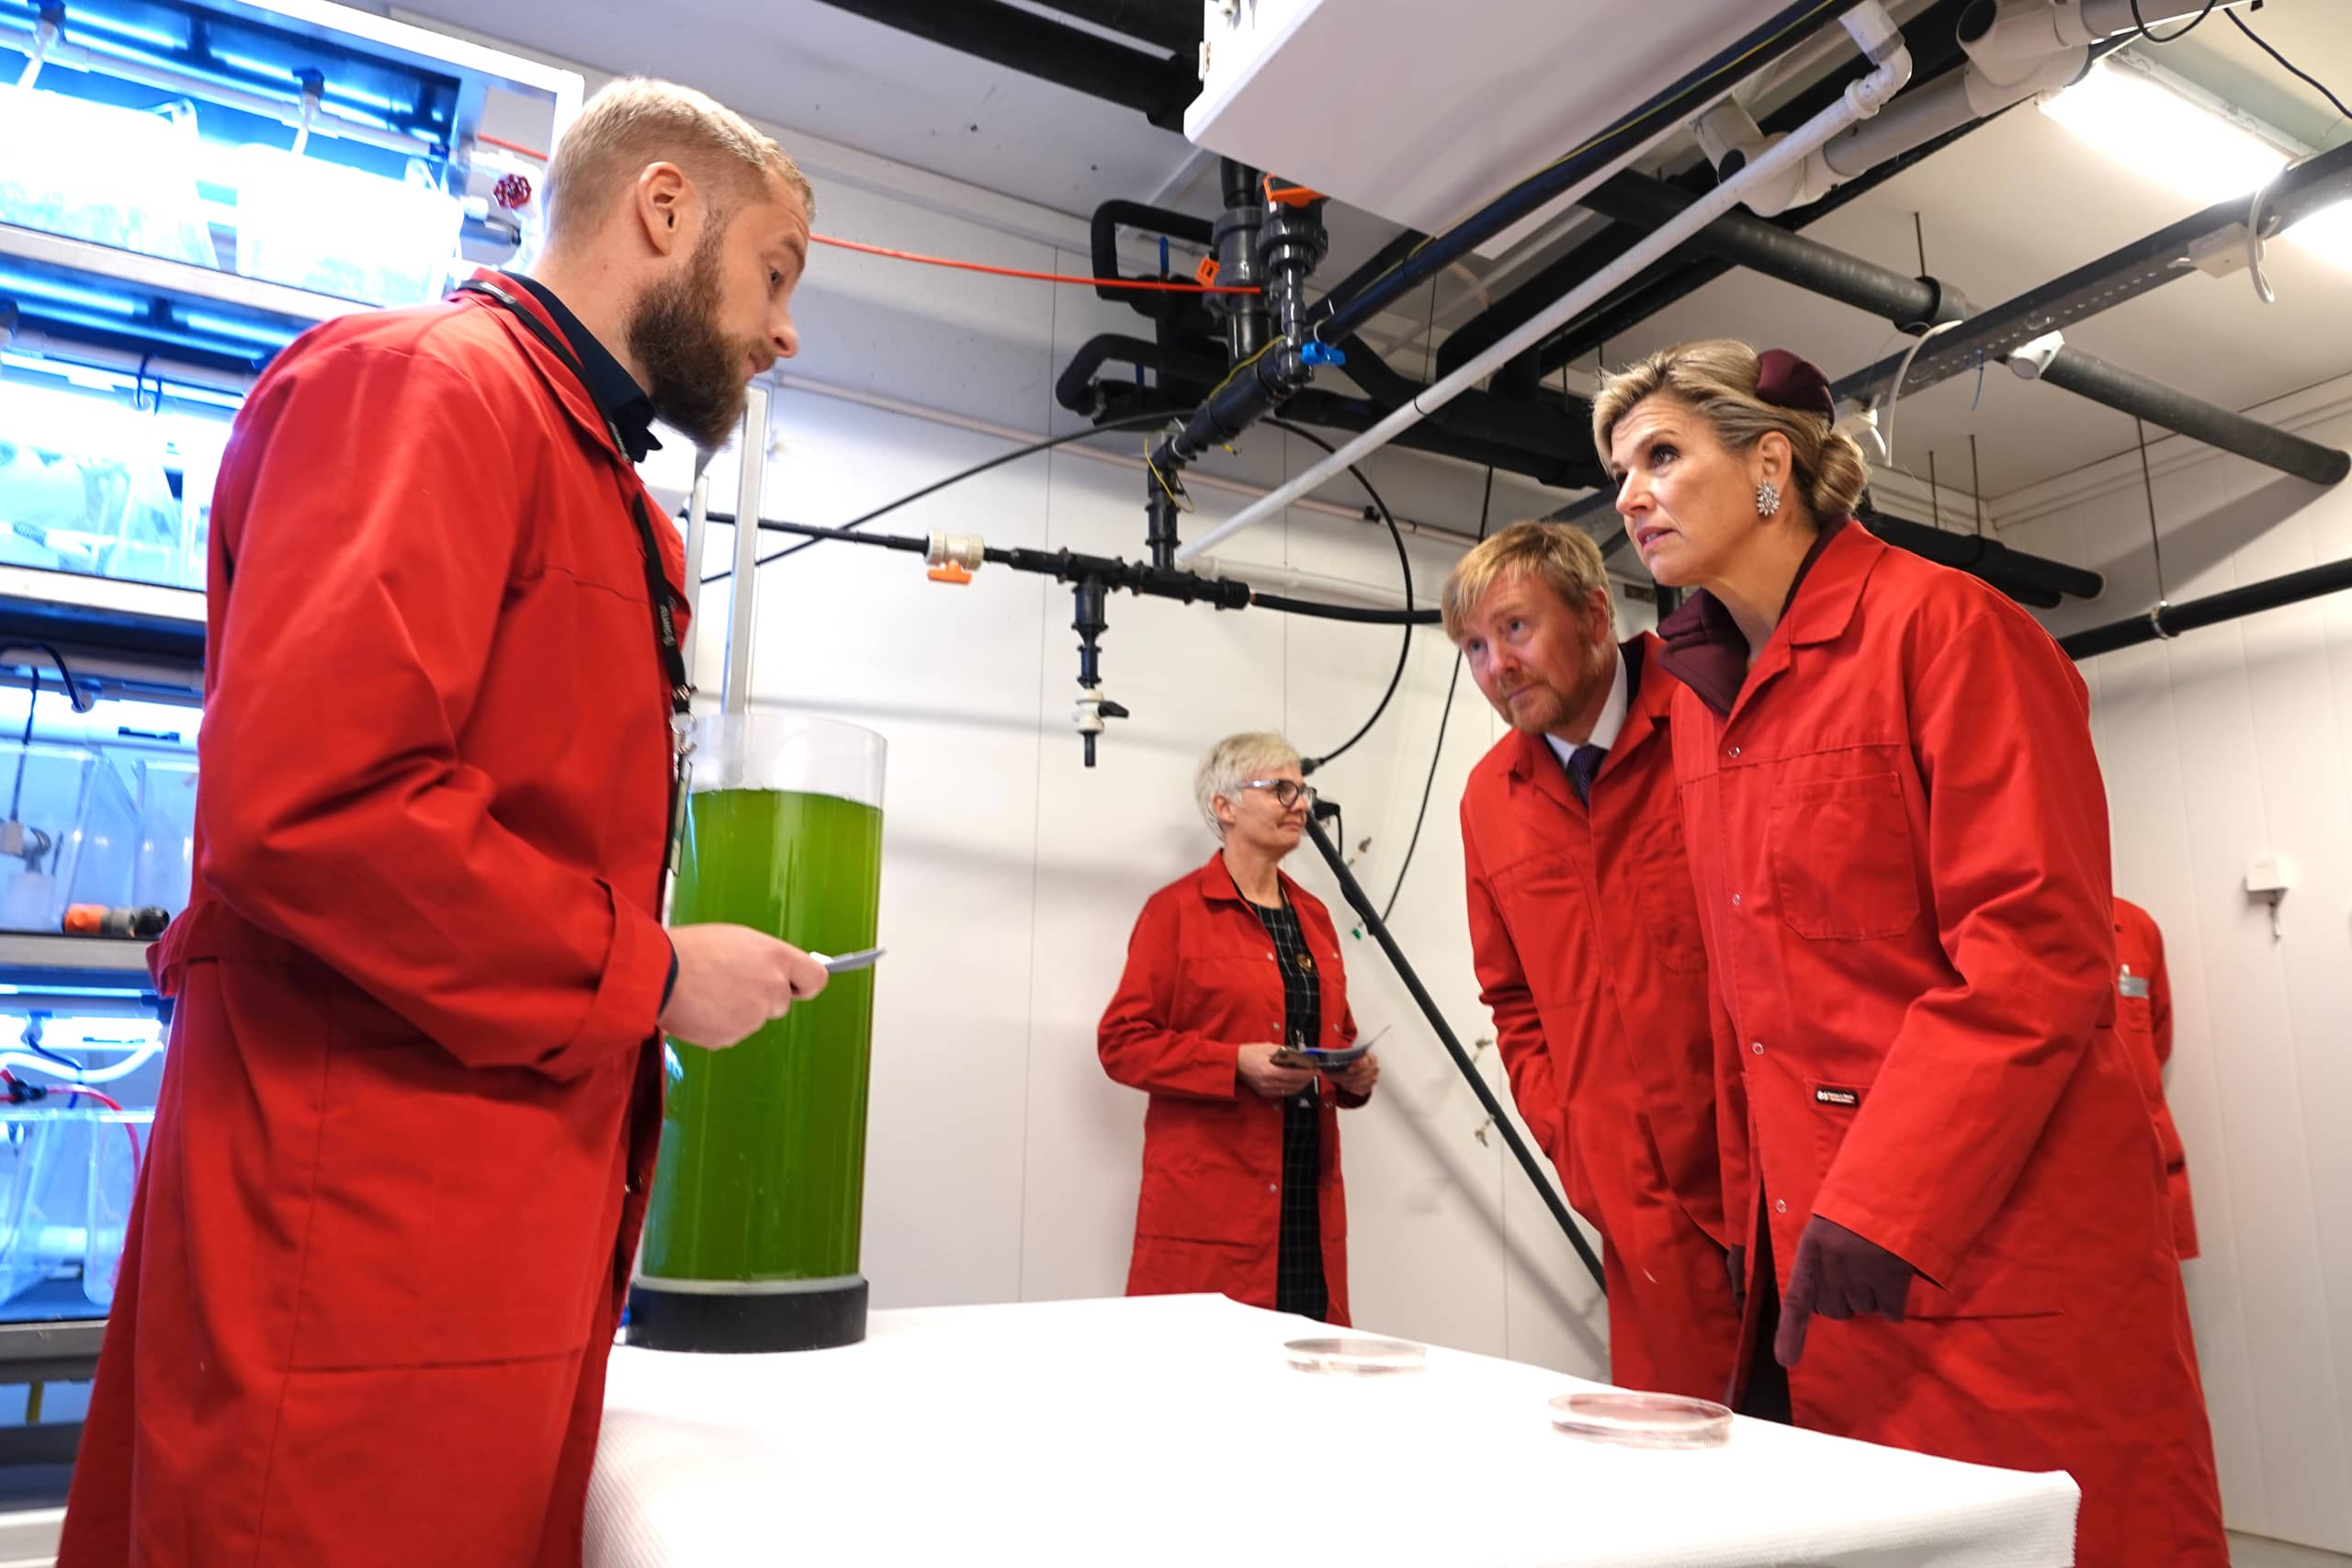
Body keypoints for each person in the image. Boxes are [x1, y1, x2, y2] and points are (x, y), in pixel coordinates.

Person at [61, 79, 831, 1568]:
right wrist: (657, 971)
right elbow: (318, 804)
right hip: (354, 1254)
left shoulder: (615, 502)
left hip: (488, 1252)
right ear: (664, 208)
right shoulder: (429, 386)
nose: (786, 329)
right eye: (777, 271)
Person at [1592, 339, 2223, 1566]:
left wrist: (1881, 1202)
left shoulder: (1949, 629)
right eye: (1620, 469)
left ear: (1769, 465)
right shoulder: (1703, 707)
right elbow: (1748, 1002)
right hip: (1812, 1247)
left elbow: (2036, 948)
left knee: (2054, 1534)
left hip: (1987, 1238)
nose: (1630, 495)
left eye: (1661, 454)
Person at [1447, 522, 1741, 1400]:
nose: (1497, 667)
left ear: (1595, 614)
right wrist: (1573, 1140)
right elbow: (1512, 1000)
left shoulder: (1716, 709)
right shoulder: (1488, 799)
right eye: (1474, 647)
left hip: (1774, 1172)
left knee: (1854, 1459)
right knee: (1689, 1453)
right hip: (1637, 1206)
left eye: (1515, 628)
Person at [1099, 733, 1380, 1323]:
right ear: (1223, 806)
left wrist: (1352, 1073)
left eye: (1303, 790)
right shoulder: (1175, 912)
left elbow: (1334, 1033)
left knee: (1306, 1366)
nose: (1300, 804)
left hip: (1307, 1205)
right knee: (1211, 1368)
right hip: (1214, 1211)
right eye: (1280, 789)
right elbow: (1121, 1043)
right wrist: (1232, 1064)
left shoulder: (1315, 917)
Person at [2114, 895, 2197, 1258]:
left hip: (2141, 1132)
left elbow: (2158, 1037)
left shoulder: (2136, 926)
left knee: (2151, 1266)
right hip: (2067, 1152)